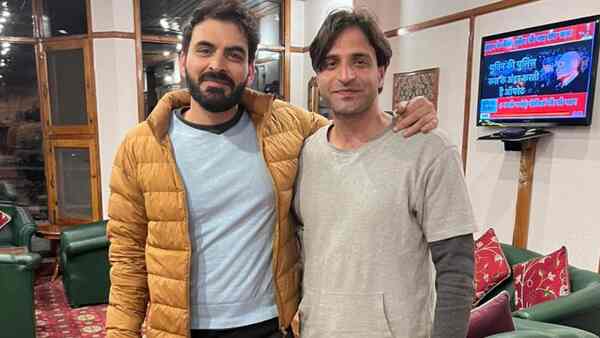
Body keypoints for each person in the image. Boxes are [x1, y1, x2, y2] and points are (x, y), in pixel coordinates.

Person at [105, 1, 438, 337]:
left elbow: (353, 129)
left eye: (234, 54)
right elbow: (128, 259)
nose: (217, 65)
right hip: (180, 328)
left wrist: (408, 113)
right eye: (205, 50)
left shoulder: (289, 128)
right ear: (183, 60)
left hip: (270, 325)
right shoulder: (141, 147)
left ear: (250, 69)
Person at [293, 8, 476, 338]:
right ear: (318, 77)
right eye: (331, 63)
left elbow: (456, 271)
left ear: (381, 71)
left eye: (360, 61)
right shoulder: (306, 153)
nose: (345, 75)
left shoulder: (428, 150)